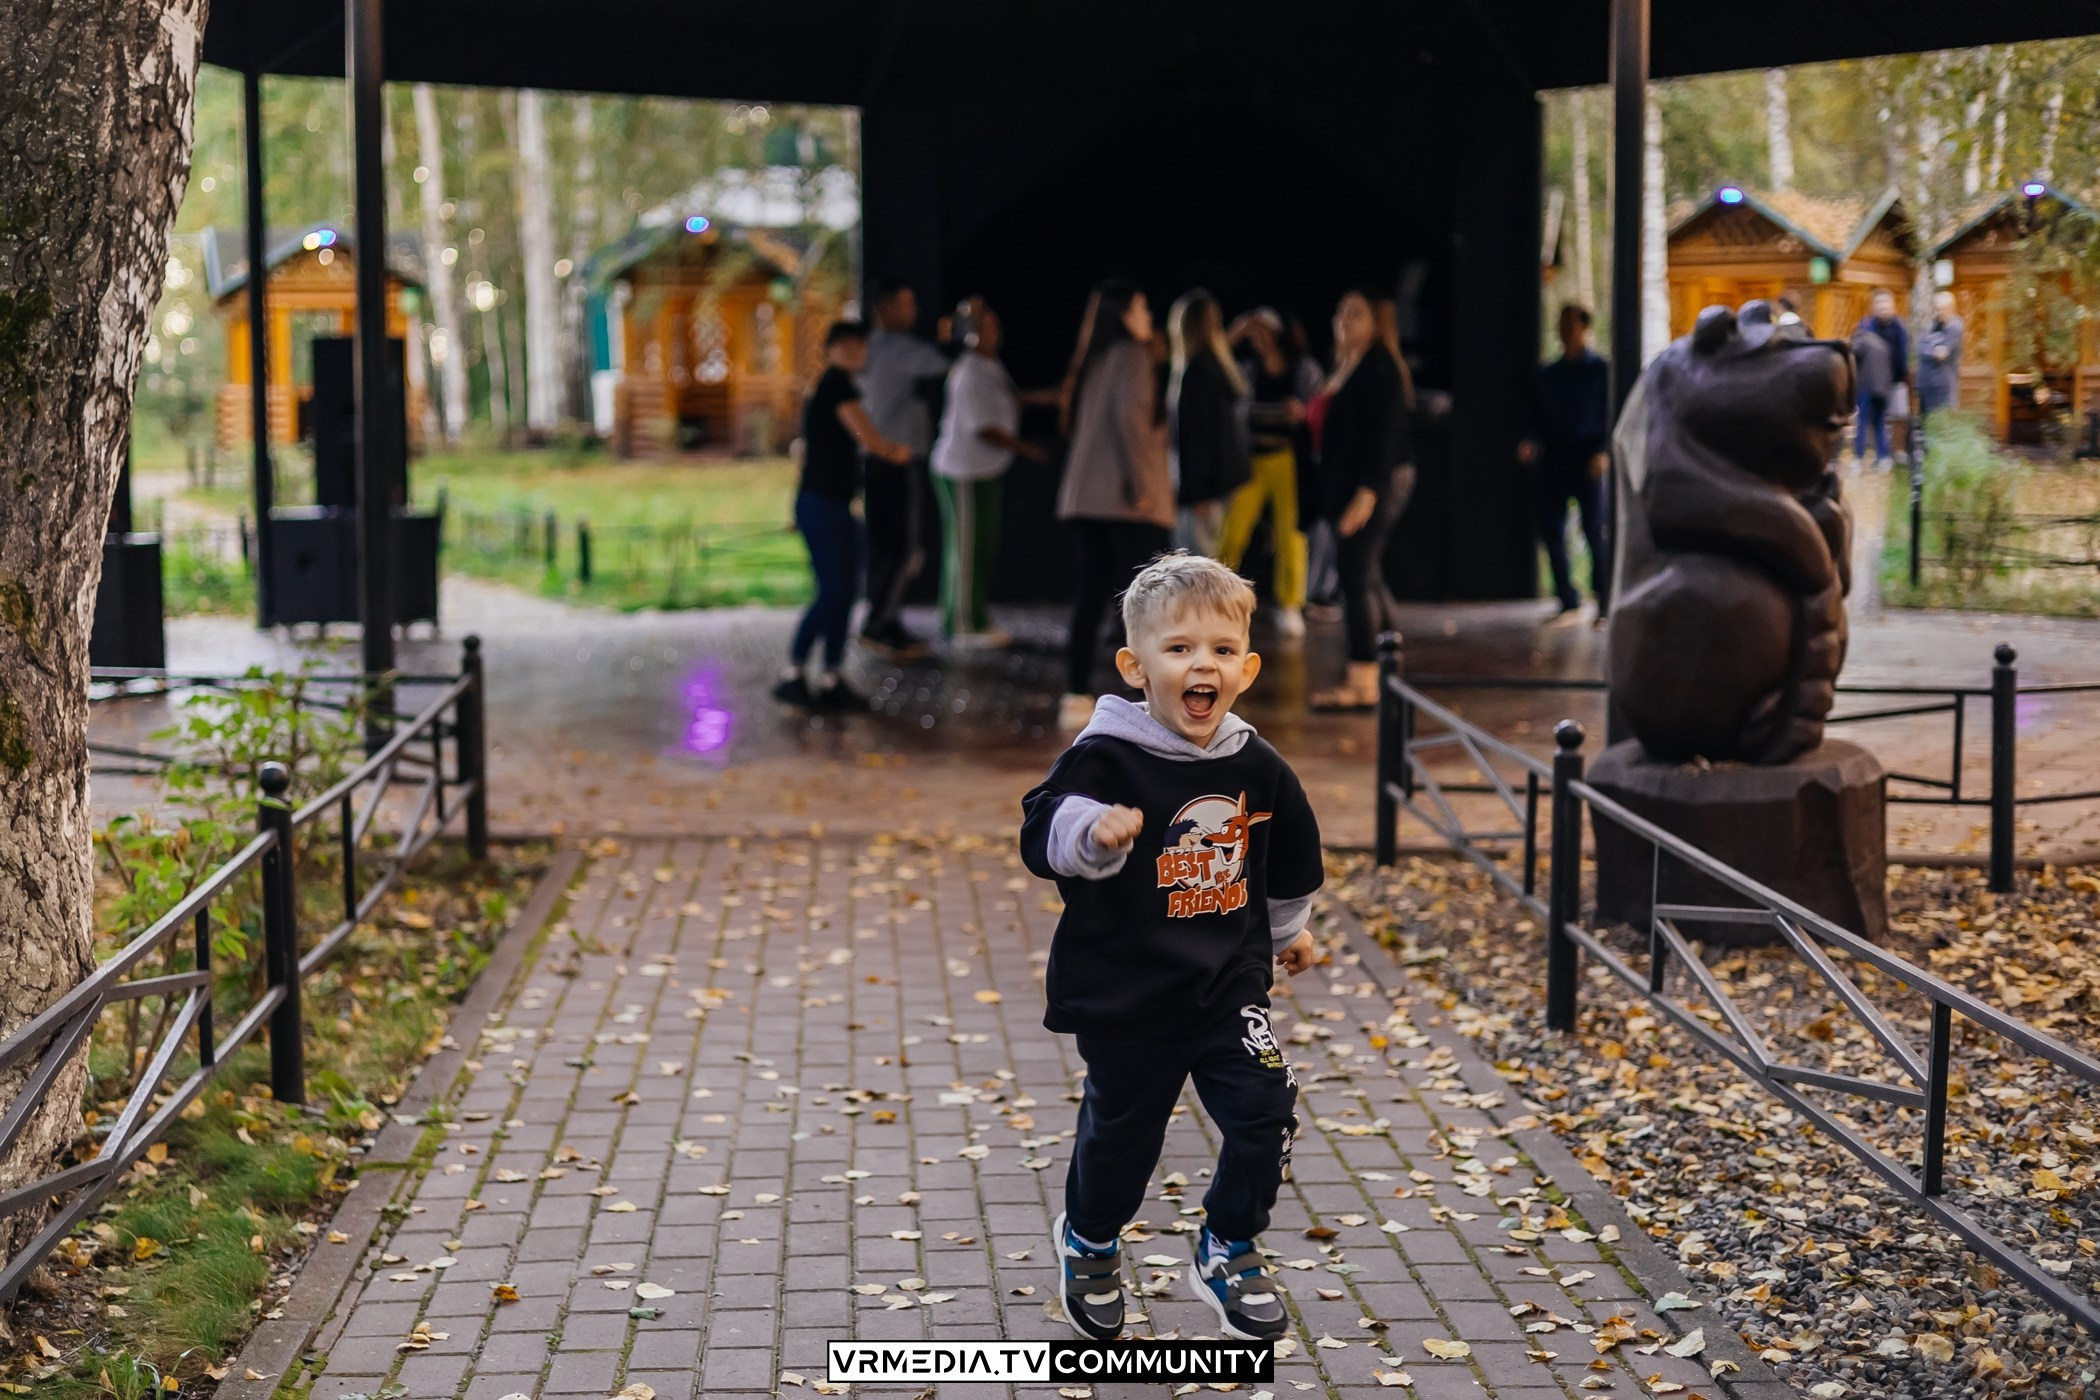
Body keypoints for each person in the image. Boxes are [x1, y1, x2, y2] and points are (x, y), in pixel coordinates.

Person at [1019, 552, 1323, 1343]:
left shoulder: (1258, 766)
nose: (1203, 665)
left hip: (1226, 990)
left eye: (1221, 651)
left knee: (1265, 1111)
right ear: (1136, 665)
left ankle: (1228, 1245)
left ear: (1247, 668)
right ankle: (1088, 1239)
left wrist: (1287, 937)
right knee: (1124, 1142)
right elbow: (1042, 826)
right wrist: (1093, 832)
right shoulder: (1105, 756)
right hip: (1127, 996)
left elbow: (1291, 860)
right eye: (1180, 648)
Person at [774, 320, 912, 709]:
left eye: (859, 346)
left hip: (832, 504)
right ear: (830, 349)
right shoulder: (836, 386)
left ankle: (831, 674)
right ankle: (794, 672)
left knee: (845, 592)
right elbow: (866, 436)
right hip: (823, 505)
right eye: (845, 346)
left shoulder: (829, 388)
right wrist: (893, 451)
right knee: (834, 592)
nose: (854, 353)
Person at [1056, 280, 1174, 730]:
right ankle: (1151, 702)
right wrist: (1141, 483)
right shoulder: (1132, 356)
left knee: (1091, 596)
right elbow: (1132, 421)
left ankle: (1075, 692)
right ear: (1125, 314)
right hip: (1127, 502)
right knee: (1149, 603)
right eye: (1143, 306)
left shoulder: (1095, 358)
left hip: (1086, 499)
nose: (1149, 315)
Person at [1307, 290, 1411, 711]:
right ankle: (1385, 666)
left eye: (1355, 313)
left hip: (1374, 482)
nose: (1343, 321)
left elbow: (1384, 435)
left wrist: (1368, 493)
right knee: (1365, 572)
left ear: (1376, 322)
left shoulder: (1378, 368)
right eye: (1340, 312)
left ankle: (1365, 678)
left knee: (1354, 571)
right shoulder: (1346, 366)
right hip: (1350, 483)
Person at [930, 299, 1044, 645]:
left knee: (980, 549)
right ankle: (962, 625)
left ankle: (973, 617)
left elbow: (1011, 400)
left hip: (983, 472)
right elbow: (984, 427)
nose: (998, 333)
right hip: (962, 473)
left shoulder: (989, 366)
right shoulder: (969, 372)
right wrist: (1027, 450)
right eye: (989, 327)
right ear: (973, 334)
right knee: (964, 549)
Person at [858, 280, 952, 659]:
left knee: (886, 548)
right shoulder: (898, 349)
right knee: (900, 548)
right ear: (885, 308)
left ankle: (887, 619)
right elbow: (943, 360)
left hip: (875, 461)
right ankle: (878, 624)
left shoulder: (871, 350)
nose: (913, 312)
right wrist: (954, 335)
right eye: (907, 303)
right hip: (894, 461)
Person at [1216, 309, 1310, 636]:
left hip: (1287, 458)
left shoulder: (1303, 368)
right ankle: (1218, 599)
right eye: (1252, 335)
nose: (1257, 340)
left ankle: (1290, 604)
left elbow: (1318, 408)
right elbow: (1213, 364)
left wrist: (1300, 413)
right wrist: (1237, 331)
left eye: (1262, 332)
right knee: (1233, 530)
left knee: (1291, 533)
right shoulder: (1247, 370)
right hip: (1252, 458)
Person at [1520, 303, 1612, 625]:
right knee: (1551, 530)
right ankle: (1567, 600)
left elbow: (1609, 414)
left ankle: (1604, 601)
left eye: (1571, 324)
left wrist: (1604, 451)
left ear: (1584, 327)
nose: (1565, 331)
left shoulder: (1601, 370)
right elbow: (1533, 415)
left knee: (1593, 529)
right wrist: (1529, 441)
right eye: (1561, 324)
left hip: (1587, 458)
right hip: (1555, 458)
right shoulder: (1548, 374)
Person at [1166, 290, 1252, 557]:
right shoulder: (1217, 368)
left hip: (1204, 490)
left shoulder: (1198, 373)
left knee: (1197, 567)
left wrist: (1200, 492)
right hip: (1219, 484)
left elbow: (1198, 436)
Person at [1851, 288, 1910, 469]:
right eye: (1879, 303)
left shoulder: (1899, 327)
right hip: (1868, 382)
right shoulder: (1867, 325)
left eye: (1886, 303)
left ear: (1892, 305)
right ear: (1874, 306)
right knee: (1866, 420)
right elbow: (1856, 350)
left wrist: (1899, 378)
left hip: (1891, 381)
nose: (1883, 307)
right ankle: (1864, 457)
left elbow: (1903, 355)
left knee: (1889, 419)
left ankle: (1887, 455)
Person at [1917, 289, 1965, 423]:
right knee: (1926, 427)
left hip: (1944, 388)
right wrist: (1933, 350)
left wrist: (1929, 348)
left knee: (1943, 428)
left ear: (1951, 308)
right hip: (1926, 386)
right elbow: (1919, 348)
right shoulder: (1933, 325)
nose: (1938, 312)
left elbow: (1942, 354)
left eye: (1942, 309)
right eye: (1936, 308)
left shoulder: (1955, 326)